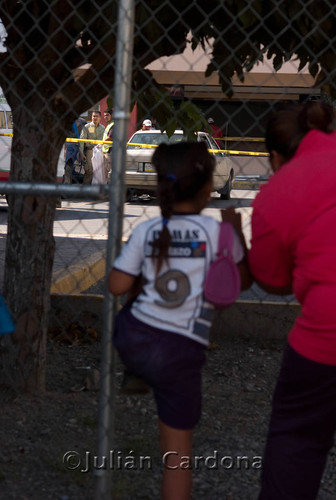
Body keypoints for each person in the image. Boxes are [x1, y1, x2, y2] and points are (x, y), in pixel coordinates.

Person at [108, 141, 251, 500]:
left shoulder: (148, 231)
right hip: (180, 353)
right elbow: (241, 283)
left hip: (134, 338)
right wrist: (235, 233)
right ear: (208, 191)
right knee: (177, 458)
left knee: (140, 283)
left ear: (163, 188)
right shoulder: (218, 234)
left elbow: (116, 285)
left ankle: (136, 370)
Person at [247, 102, 336, 500]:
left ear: (274, 156)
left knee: (296, 441)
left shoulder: (277, 190)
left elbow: (272, 279)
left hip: (325, 337)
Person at [79, 110, 105, 184]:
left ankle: (97, 191)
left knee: (98, 171)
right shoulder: (87, 127)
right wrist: (81, 153)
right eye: (93, 116)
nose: (95, 118)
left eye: (97, 116)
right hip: (90, 151)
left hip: (100, 152)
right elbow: (81, 140)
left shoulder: (103, 128)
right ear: (91, 117)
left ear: (100, 118)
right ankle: (86, 191)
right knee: (89, 171)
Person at [102, 109, 114, 183]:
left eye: (107, 115)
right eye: (104, 115)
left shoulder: (113, 124)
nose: (105, 117)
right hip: (106, 151)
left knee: (108, 171)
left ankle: (110, 188)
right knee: (106, 171)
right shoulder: (109, 125)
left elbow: (110, 137)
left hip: (110, 151)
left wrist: (101, 143)